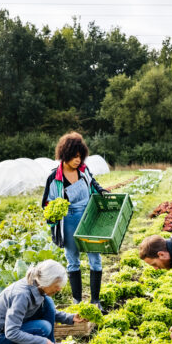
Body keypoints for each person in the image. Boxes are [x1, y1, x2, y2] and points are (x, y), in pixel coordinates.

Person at [41, 131, 109, 311]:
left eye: (80, 156)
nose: (78, 160)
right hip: (69, 219)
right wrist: (53, 213)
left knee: (95, 258)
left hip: (88, 216)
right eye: (74, 156)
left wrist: (101, 190)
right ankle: (77, 302)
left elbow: (93, 182)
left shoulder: (84, 171)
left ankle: (95, 301)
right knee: (73, 260)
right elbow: (46, 204)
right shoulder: (54, 178)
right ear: (65, 155)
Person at [0, 260, 86, 344]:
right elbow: (11, 332)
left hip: (14, 325)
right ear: (47, 281)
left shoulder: (38, 286)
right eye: (56, 285)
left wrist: (71, 317)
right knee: (43, 328)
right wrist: (42, 342)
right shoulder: (22, 295)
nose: (59, 289)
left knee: (48, 303)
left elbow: (49, 312)